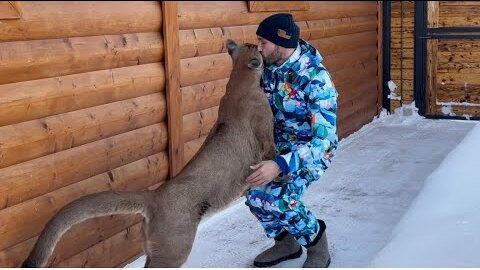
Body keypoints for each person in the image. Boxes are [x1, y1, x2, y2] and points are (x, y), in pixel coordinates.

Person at [244, 13, 338, 268]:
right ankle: (285, 242)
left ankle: (317, 243)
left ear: (281, 42)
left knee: (281, 198)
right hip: (278, 146)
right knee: (253, 193)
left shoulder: (316, 78)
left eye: (263, 42)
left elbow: (324, 141)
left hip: (312, 150)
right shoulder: (268, 68)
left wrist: (280, 165)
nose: (259, 47)